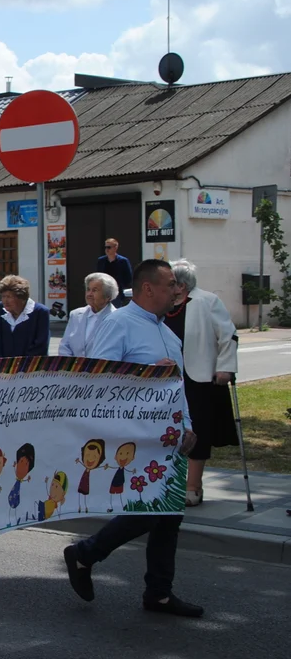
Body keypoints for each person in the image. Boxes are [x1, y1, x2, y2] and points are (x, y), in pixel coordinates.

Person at [63, 259, 203, 618]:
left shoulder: (168, 332)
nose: (177, 290)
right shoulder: (119, 324)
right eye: (171, 284)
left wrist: (186, 424)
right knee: (150, 510)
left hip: (168, 439)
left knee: (169, 514)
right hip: (136, 438)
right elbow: (99, 378)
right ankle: (86, 553)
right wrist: (143, 376)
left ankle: (158, 592)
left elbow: (176, 386)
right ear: (148, 288)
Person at [166, 259, 238, 507]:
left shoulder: (207, 301)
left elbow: (228, 335)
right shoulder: (162, 305)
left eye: (169, 282)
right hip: (168, 378)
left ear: (181, 285)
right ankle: (168, 483)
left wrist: (225, 368)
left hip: (199, 378)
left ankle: (193, 486)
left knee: (198, 431)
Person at [0, 275, 50, 359]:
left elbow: (41, 344)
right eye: (3, 296)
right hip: (3, 367)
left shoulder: (40, 312)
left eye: (9, 297)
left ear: (22, 298)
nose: (5, 301)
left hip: (31, 366)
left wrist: (20, 365)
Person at [59, 273, 118, 357]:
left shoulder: (117, 318)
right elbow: (65, 346)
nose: (89, 294)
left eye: (94, 290)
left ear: (108, 296)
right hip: (72, 368)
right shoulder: (75, 315)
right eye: (88, 289)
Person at [97, 238, 132, 307]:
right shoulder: (101, 261)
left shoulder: (123, 261)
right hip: (103, 291)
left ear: (115, 248)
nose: (107, 249)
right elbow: (98, 275)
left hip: (117, 292)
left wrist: (122, 286)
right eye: (105, 247)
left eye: (109, 247)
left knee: (115, 311)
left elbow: (128, 277)